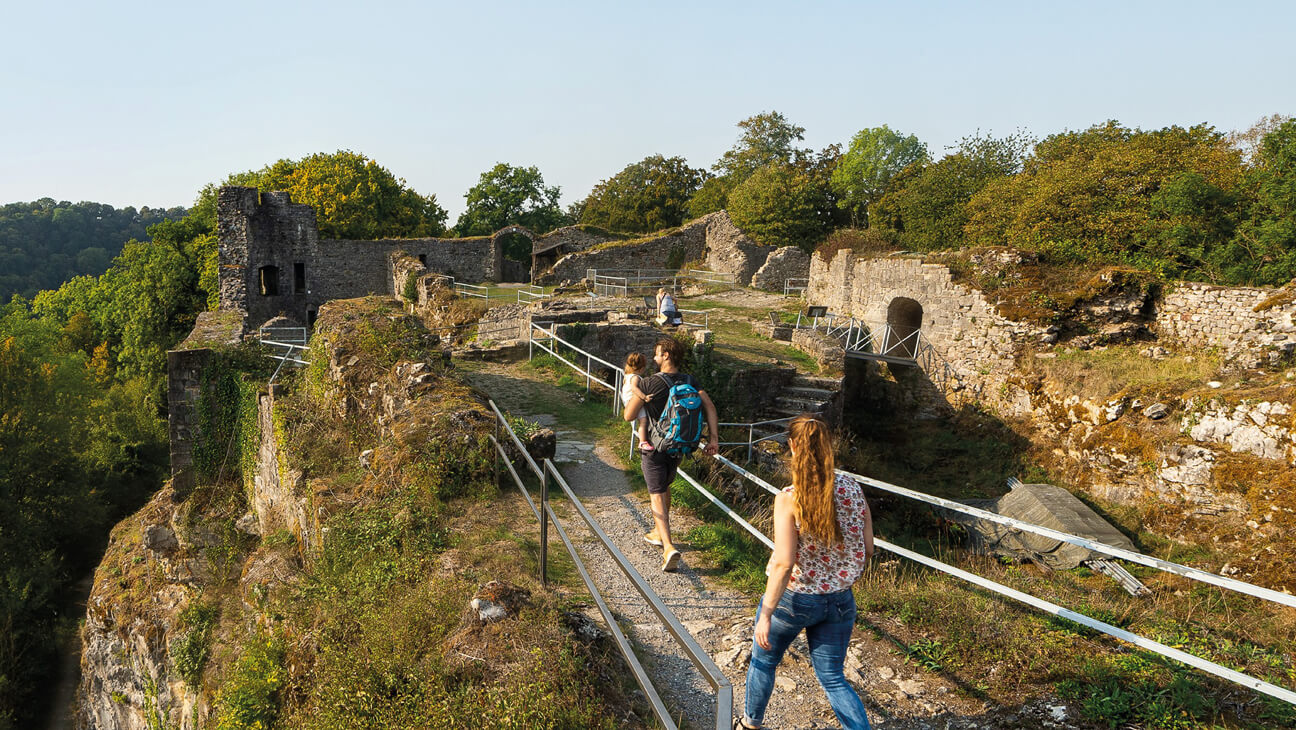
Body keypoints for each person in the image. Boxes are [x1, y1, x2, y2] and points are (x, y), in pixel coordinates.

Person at [739, 415, 874, 730]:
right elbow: (868, 547)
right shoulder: (853, 488)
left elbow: (785, 562)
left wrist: (766, 613)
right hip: (840, 600)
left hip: (795, 599)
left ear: (793, 446)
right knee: (833, 678)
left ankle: (750, 725)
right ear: (828, 447)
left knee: (763, 662)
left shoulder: (789, 498)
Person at [621, 337, 719, 572]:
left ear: (666, 355)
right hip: (680, 445)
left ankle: (668, 547)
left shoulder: (650, 383)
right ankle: (658, 531)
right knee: (665, 487)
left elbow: (628, 415)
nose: (654, 358)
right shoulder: (690, 380)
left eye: (657, 353)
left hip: (655, 448)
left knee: (655, 493)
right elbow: (710, 406)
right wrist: (714, 439)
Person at [621, 352, 654, 453]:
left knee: (642, 421)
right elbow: (634, 389)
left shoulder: (627, 375)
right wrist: (644, 397)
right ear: (642, 368)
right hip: (633, 401)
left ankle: (643, 441)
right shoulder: (635, 377)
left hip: (628, 401)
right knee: (643, 421)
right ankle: (643, 442)